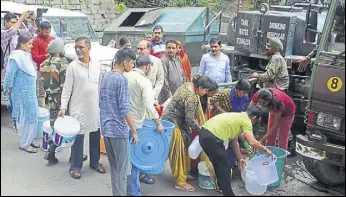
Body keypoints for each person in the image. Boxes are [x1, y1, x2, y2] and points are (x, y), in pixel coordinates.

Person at [58, 37, 106, 179]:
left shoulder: (97, 65)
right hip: (78, 108)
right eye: (76, 47)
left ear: (89, 48)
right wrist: (63, 107)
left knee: (95, 135)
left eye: (81, 47)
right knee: (78, 138)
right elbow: (67, 89)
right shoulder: (73, 67)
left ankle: (95, 162)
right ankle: (75, 166)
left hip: (94, 108)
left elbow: (100, 86)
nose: (78, 50)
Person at [199, 106, 273, 196]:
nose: (253, 124)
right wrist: (266, 150)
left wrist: (240, 158)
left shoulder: (238, 117)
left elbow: (235, 142)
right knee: (225, 168)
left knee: (219, 165)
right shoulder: (247, 121)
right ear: (254, 118)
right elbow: (252, 142)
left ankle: (221, 187)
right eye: (255, 122)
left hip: (204, 135)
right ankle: (228, 194)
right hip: (212, 138)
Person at [161, 75, 215, 192]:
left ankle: (183, 174)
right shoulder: (191, 98)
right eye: (205, 90)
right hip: (173, 123)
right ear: (199, 87)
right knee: (179, 152)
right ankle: (180, 182)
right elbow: (190, 120)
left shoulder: (188, 85)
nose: (206, 93)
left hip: (175, 120)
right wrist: (203, 130)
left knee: (187, 145)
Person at [99, 48, 139, 196]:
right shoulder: (121, 80)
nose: (132, 66)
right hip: (118, 129)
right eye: (132, 63)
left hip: (106, 128)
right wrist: (134, 131)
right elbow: (124, 110)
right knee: (122, 171)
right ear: (125, 62)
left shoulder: (107, 76)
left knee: (114, 168)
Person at [124, 55, 164, 196]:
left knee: (123, 158)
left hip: (121, 121)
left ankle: (121, 188)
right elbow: (149, 105)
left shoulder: (125, 75)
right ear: (147, 67)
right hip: (135, 124)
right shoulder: (144, 81)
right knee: (136, 158)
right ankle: (134, 191)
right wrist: (158, 123)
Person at [3, 34, 39, 153]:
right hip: (21, 93)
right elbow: (9, 75)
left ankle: (30, 139)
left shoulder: (25, 55)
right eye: (29, 43)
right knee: (24, 117)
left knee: (32, 115)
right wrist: (9, 89)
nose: (31, 46)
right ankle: (24, 144)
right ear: (22, 44)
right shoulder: (15, 57)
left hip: (30, 92)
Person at [1, 11, 37, 78]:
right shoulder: (3, 33)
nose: (15, 24)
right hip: (7, 66)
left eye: (15, 22)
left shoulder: (18, 32)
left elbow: (32, 30)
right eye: (12, 22)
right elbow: (11, 31)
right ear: (5, 22)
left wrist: (33, 20)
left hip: (19, 65)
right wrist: (22, 18)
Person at [32, 21, 55, 107]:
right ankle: (42, 112)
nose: (47, 34)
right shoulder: (36, 41)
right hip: (41, 70)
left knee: (53, 91)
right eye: (45, 32)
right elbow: (35, 57)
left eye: (49, 32)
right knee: (41, 93)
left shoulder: (52, 39)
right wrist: (46, 56)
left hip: (53, 69)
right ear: (40, 30)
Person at [158, 40, 185, 105]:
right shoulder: (163, 61)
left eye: (173, 48)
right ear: (165, 49)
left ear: (176, 50)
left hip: (178, 94)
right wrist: (170, 96)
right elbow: (164, 81)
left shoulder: (178, 60)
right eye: (169, 48)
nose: (171, 50)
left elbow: (182, 75)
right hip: (167, 98)